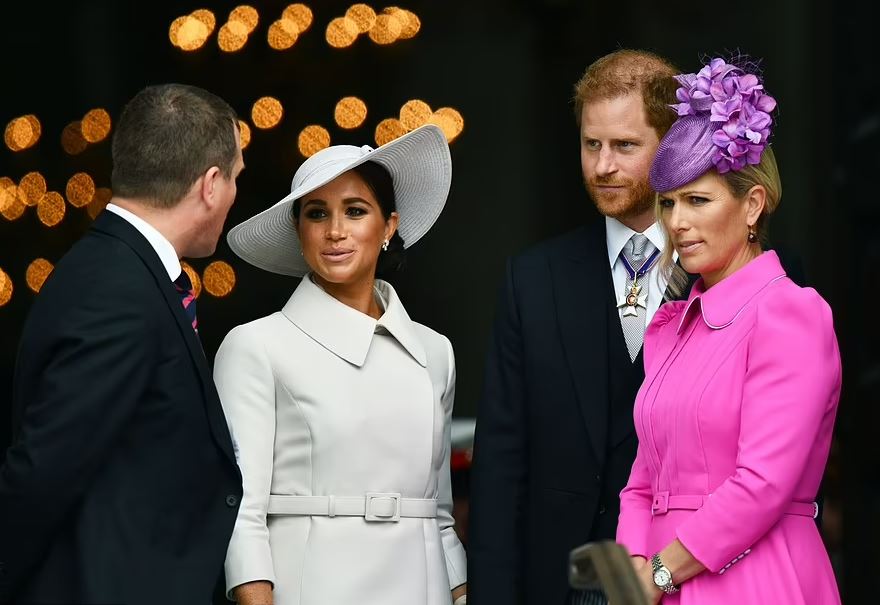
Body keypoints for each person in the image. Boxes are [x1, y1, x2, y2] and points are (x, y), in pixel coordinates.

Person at [0, 83, 245, 604]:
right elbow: (44, 471)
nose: (233, 195)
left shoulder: (121, 269)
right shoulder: (119, 291)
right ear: (210, 185)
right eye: (235, 179)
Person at [616, 57, 842, 604]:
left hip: (756, 577)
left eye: (698, 200)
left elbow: (763, 484)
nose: (677, 222)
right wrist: (633, 569)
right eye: (668, 203)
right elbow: (641, 483)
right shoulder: (672, 328)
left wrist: (661, 572)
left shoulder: (790, 313)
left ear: (753, 206)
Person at [214, 123, 467, 605]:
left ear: (389, 226)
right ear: (299, 230)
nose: (335, 231)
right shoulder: (255, 347)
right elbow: (242, 514)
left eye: (355, 211)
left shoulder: (435, 352)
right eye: (317, 213)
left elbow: (439, 513)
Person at [467, 49, 685, 605]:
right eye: (592, 144)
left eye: (625, 146)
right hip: (564, 580)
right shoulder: (533, 278)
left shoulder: (724, 269)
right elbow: (501, 460)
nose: (602, 166)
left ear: (671, 144)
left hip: (692, 574)